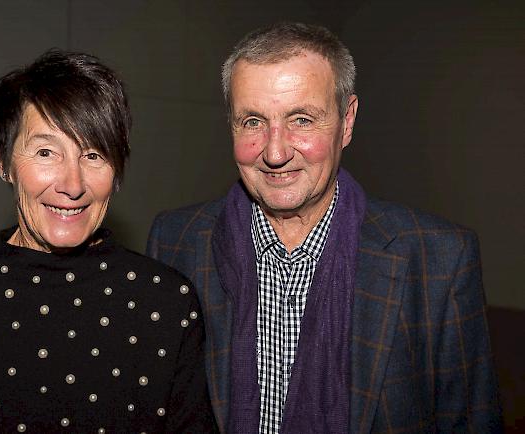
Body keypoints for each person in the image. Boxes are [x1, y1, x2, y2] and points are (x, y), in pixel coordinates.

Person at [147, 22, 501, 433]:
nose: (275, 152)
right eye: (253, 122)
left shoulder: (439, 259)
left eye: (301, 119)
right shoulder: (176, 242)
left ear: (347, 121)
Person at [0, 50, 216, 433]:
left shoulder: (167, 303)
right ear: (1, 157)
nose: (72, 185)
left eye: (94, 154)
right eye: (45, 152)